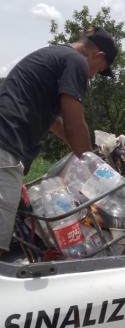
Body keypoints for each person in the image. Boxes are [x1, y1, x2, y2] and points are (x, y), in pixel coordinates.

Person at [0, 25, 118, 253]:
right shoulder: (76, 62)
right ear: (98, 55)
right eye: (99, 70)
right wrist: (93, 167)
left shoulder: (54, 54)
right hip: (5, 148)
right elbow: (74, 123)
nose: (92, 76)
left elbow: (56, 122)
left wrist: (79, 151)